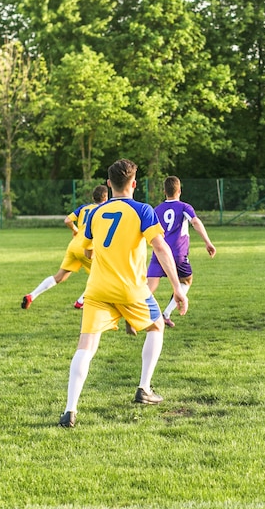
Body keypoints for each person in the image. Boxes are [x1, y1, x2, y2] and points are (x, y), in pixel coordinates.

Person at [59, 159, 188, 428]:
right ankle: (144, 388)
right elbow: (161, 248)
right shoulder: (143, 210)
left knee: (86, 347)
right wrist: (177, 288)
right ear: (134, 184)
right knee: (157, 327)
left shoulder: (95, 212)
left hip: (97, 289)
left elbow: (85, 248)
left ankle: (70, 410)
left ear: (109, 184)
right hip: (132, 290)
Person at [21, 185, 108, 310]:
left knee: (59, 277)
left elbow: (67, 220)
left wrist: (75, 230)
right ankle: (80, 302)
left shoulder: (84, 208)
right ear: (105, 197)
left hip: (74, 245)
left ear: (93, 197)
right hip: (87, 247)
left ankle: (31, 295)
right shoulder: (104, 210)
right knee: (102, 275)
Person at [146, 175, 216, 329]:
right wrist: (208, 242)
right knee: (186, 281)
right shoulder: (184, 207)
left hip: (158, 251)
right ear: (180, 191)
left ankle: (135, 314)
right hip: (177, 253)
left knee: (148, 288)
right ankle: (165, 314)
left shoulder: (156, 209)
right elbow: (195, 222)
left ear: (164, 191)